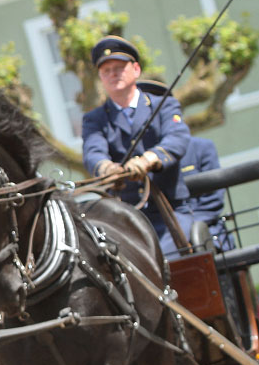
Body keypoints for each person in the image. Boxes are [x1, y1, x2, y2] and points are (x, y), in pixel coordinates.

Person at [82, 36, 193, 256]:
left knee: (167, 261)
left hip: (170, 212)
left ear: (136, 69)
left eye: (119, 68)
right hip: (126, 215)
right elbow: (93, 152)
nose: (113, 74)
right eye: (106, 71)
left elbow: (177, 138)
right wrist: (107, 169)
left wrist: (148, 160)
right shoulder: (94, 119)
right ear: (101, 78)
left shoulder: (163, 105)